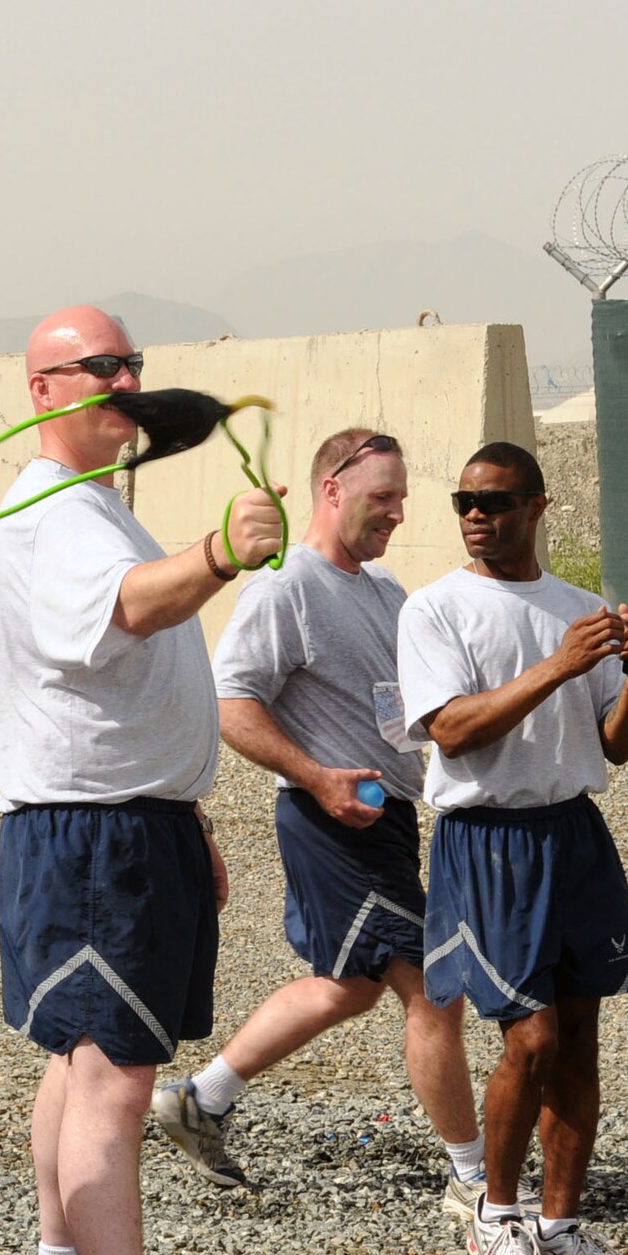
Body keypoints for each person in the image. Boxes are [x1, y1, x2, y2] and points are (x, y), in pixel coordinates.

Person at [0, 306, 282, 1255]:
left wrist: (185, 810)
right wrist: (215, 554)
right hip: (92, 835)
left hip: (127, 824)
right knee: (112, 1081)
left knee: (81, 1060)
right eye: (95, 366)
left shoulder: (91, 504)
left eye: (130, 363)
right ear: (42, 389)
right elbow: (120, 611)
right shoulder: (55, 512)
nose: (122, 379)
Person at [152, 428, 486, 1211]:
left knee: (347, 987)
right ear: (331, 490)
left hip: (389, 821)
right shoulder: (285, 586)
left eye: (403, 498)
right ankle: (476, 1181)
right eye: (384, 497)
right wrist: (318, 778)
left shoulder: (382, 590)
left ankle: (202, 1098)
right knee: (434, 991)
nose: (398, 513)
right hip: (333, 822)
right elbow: (230, 705)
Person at [397, 441, 628, 1255]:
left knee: (579, 1039)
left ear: (538, 507)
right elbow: (455, 732)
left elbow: (613, 743)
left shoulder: (578, 609)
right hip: (487, 838)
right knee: (530, 1040)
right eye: (464, 499)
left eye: (496, 501)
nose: (477, 514)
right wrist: (559, 665)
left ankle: (561, 1230)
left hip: (573, 832)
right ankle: (495, 1216)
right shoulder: (435, 610)